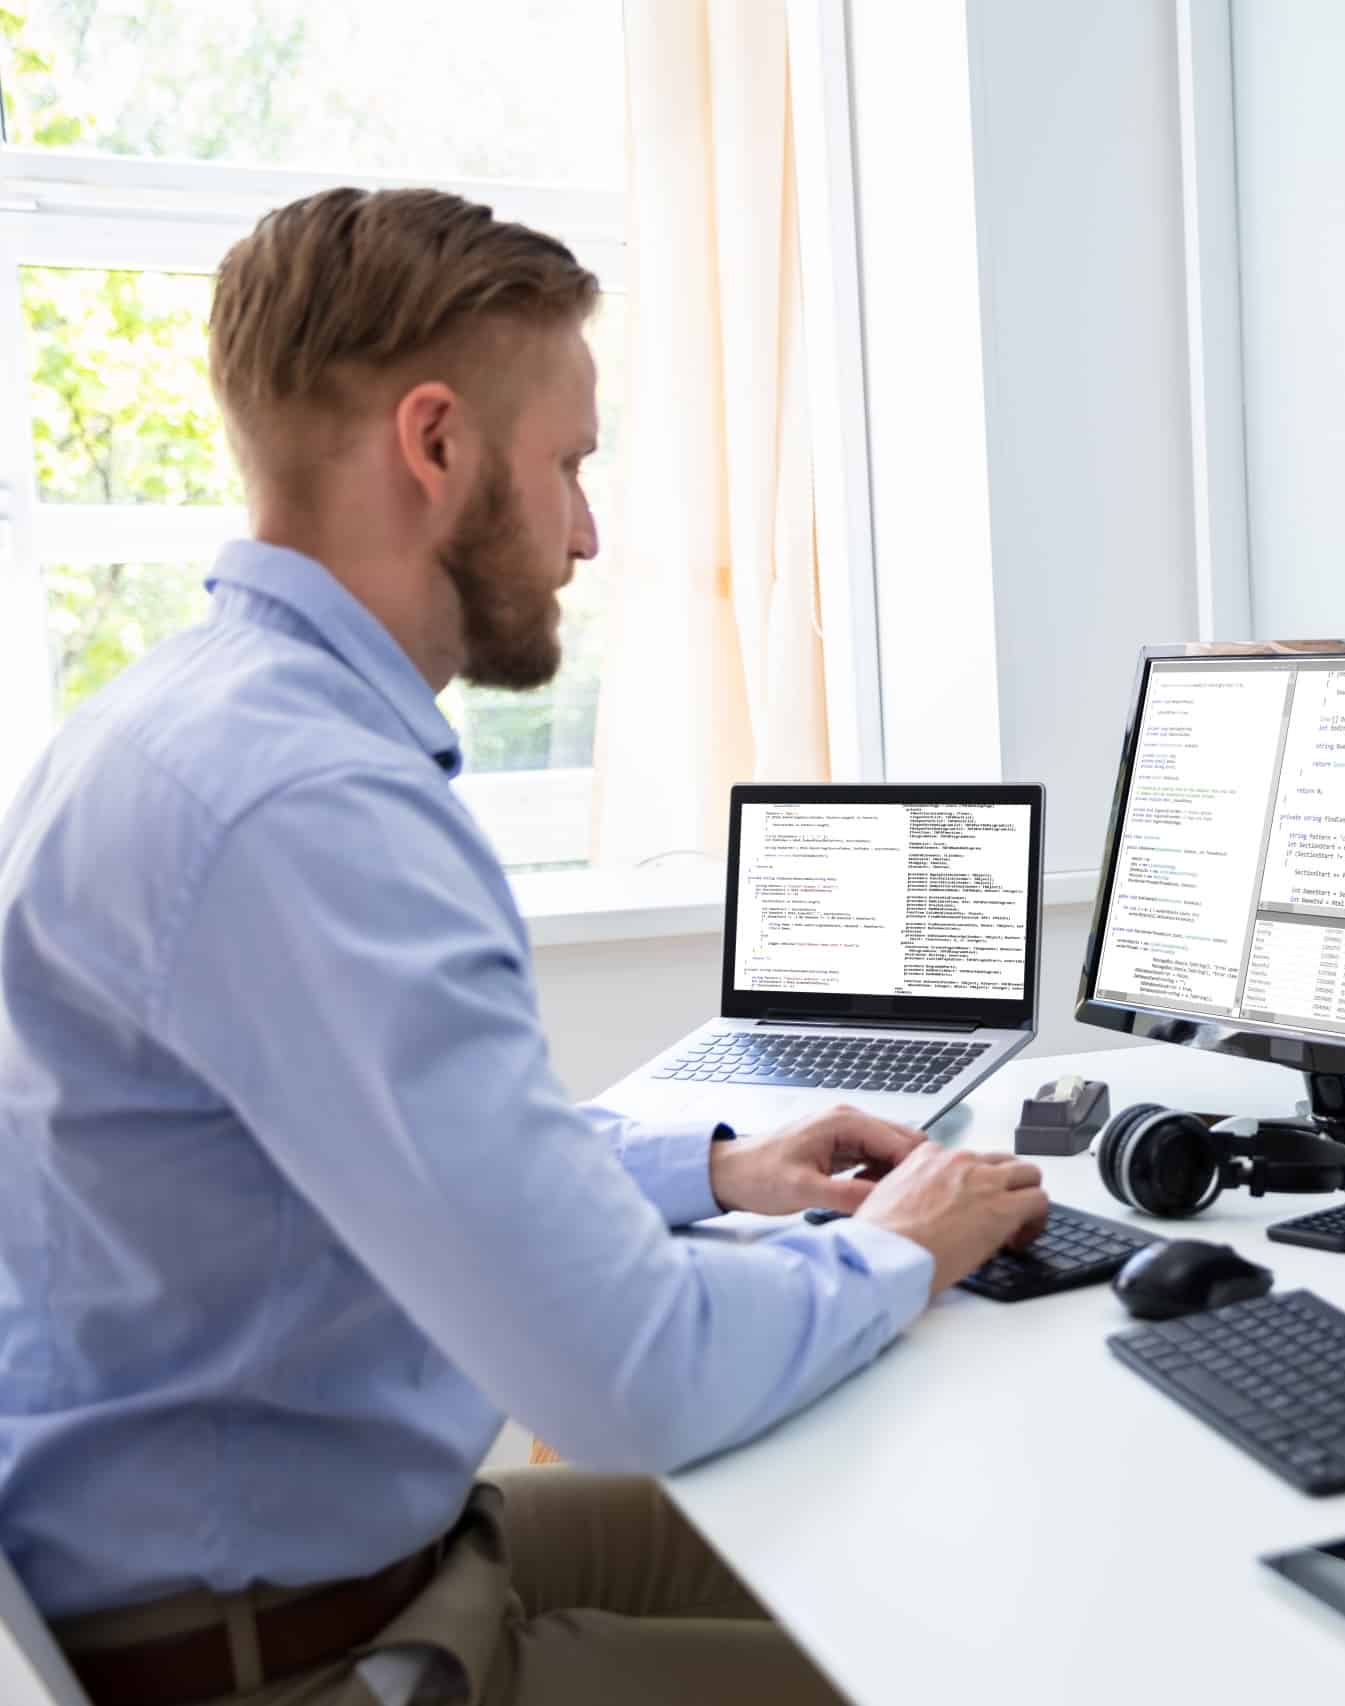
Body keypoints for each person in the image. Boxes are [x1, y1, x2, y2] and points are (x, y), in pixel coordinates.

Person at [0, 186, 1050, 1706]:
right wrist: (899, 1247)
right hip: (298, 1652)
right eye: (567, 465)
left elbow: (382, 1168)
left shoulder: (178, 725)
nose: (585, 529)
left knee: (914, 1542)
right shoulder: (309, 809)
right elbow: (631, 1374)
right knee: (973, 1655)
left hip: (312, 1567)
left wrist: (718, 1169)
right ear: (434, 445)